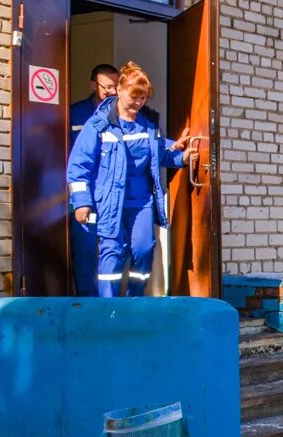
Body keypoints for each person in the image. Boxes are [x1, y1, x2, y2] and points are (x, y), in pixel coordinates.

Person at [67, 62, 193, 298]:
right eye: (134, 97)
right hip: (109, 201)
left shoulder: (148, 123)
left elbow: (158, 153)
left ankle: (134, 299)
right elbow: (78, 164)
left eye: (143, 98)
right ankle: (108, 306)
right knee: (111, 252)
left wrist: (182, 157)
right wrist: (81, 201)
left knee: (144, 249)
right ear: (120, 91)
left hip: (141, 201)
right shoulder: (99, 123)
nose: (138, 103)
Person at [67, 64, 120, 296]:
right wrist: (79, 197)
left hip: (112, 195)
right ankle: (87, 304)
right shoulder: (74, 113)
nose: (112, 91)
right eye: (107, 86)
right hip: (84, 195)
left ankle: (110, 307)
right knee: (86, 252)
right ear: (93, 86)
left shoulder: (124, 115)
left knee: (113, 253)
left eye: (116, 86)